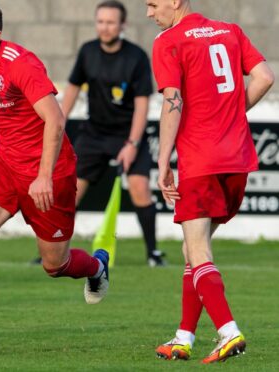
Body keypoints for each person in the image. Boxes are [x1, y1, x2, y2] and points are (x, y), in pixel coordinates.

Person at [0, 1, 110, 355]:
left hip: (51, 174)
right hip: (7, 169)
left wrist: (44, 176)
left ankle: (96, 266)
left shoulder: (21, 65)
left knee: (54, 265)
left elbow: (56, 120)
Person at [146, 0, 274, 363]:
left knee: (197, 250)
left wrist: (162, 158)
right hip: (237, 158)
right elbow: (265, 77)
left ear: (175, 1)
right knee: (193, 250)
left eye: (153, 4)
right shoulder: (230, 31)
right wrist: (231, 114)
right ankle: (183, 338)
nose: (149, 13)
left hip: (201, 159)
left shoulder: (169, 41)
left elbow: (173, 99)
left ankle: (228, 332)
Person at [60, 0, 164, 267]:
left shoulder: (137, 57)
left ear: (122, 25)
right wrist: (57, 125)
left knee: (140, 189)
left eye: (110, 22)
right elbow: (71, 90)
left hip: (128, 134)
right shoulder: (87, 52)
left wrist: (132, 143)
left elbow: (143, 105)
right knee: (70, 193)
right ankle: (54, 250)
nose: (104, 28)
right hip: (93, 134)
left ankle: (153, 253)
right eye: (100, 22)